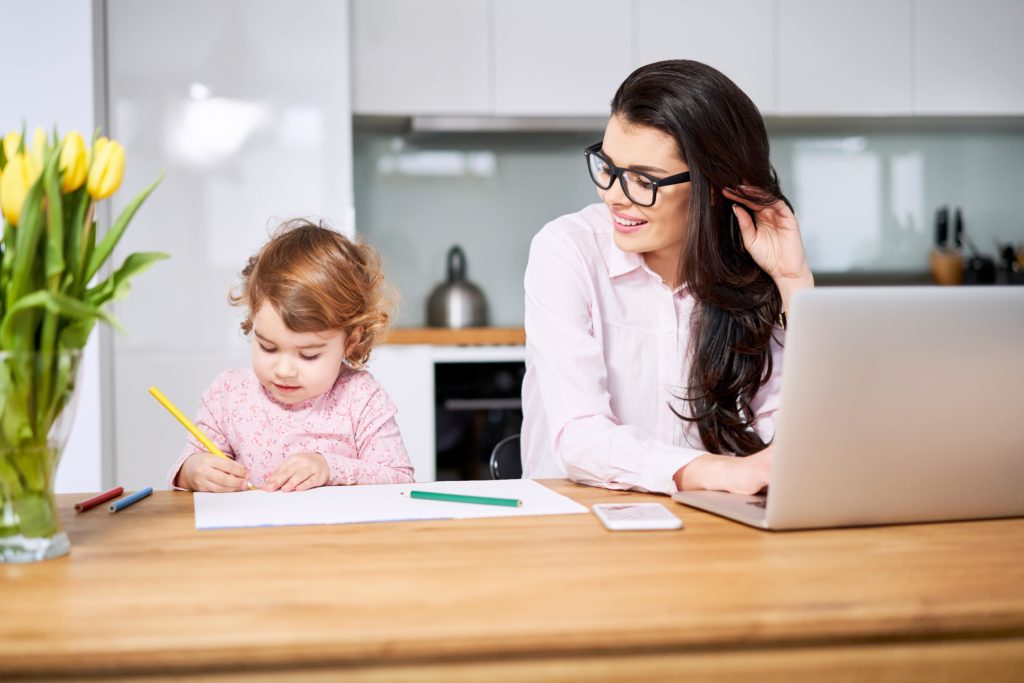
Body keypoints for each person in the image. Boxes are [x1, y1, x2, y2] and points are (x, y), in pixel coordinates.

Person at [521, 60, 814, 496]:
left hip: (710, 527)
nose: (613, 196)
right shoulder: (567, 251)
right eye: (608, 167)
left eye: (643, 180)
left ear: (715, 188)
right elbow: (581, 437)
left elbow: (797, 445)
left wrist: (793, 282)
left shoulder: (752, 273)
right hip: (575, 524)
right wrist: (718, 472)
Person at [168, 219, 414, 492]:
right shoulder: (228, 395)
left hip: (337, 534)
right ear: (253, 322)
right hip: (248, 534)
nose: (284, 370)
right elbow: (187, 463)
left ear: (351, 341)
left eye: (308, 355)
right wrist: (192, 472)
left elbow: (399, 478)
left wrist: (329, 467)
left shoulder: (361, 399)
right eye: (268, 347)